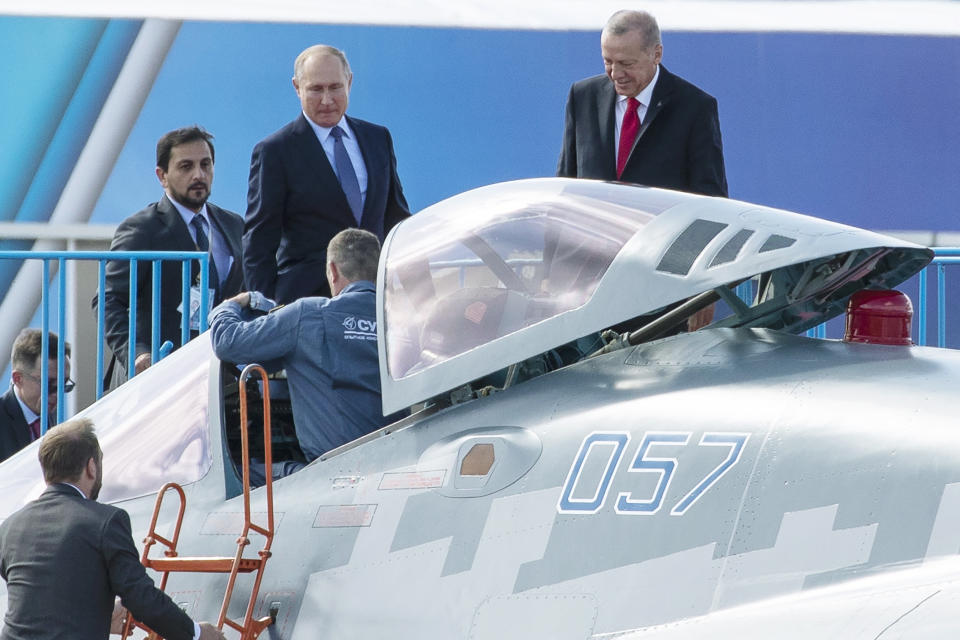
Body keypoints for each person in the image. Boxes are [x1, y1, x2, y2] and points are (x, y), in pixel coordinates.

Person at [0, 418, 225, 640]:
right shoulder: (105, 521)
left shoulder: (10, 527)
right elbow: (140, 597)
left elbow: (43, 596)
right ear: (91, 467)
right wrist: (196, 633)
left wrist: (99, 615)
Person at [212, 229, 396, 480]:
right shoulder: (400, 319)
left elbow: (227, 342)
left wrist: (230, 305)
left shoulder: (308, 315)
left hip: (333, 475)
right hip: (397, 464)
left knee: (236, 474)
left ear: (332, 270)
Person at [243, 44, 410, 305]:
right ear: (297, 87)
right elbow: (259, 242)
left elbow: (396, 220)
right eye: (315, 89)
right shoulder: (275, 151)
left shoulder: (378, 138)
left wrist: (420, 289)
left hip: (377, 300)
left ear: (350, 82)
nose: (326, 100)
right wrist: (263, 310)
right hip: (308, 305)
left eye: (335, 87)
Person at [96, 126, 244, 386]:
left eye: (205, 165)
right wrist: (137, 353)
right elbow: (108, 300)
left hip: (217, 374)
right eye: (186, 166)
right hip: (154, 376)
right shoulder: (142, 228)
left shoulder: (233, 225)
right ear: (162, 176)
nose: (198, 175)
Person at [557, 9, 728, 197]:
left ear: (656, 54)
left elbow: (710, 198)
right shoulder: (582, 98)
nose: (615, 74)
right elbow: (566, 185)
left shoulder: (694, 108)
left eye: (627, 64)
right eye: (608, 61)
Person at [0, 329, 72, 463]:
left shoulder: (55, 417)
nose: (57, 395)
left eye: (64, 385)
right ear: (18, 378)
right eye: (49, 385)